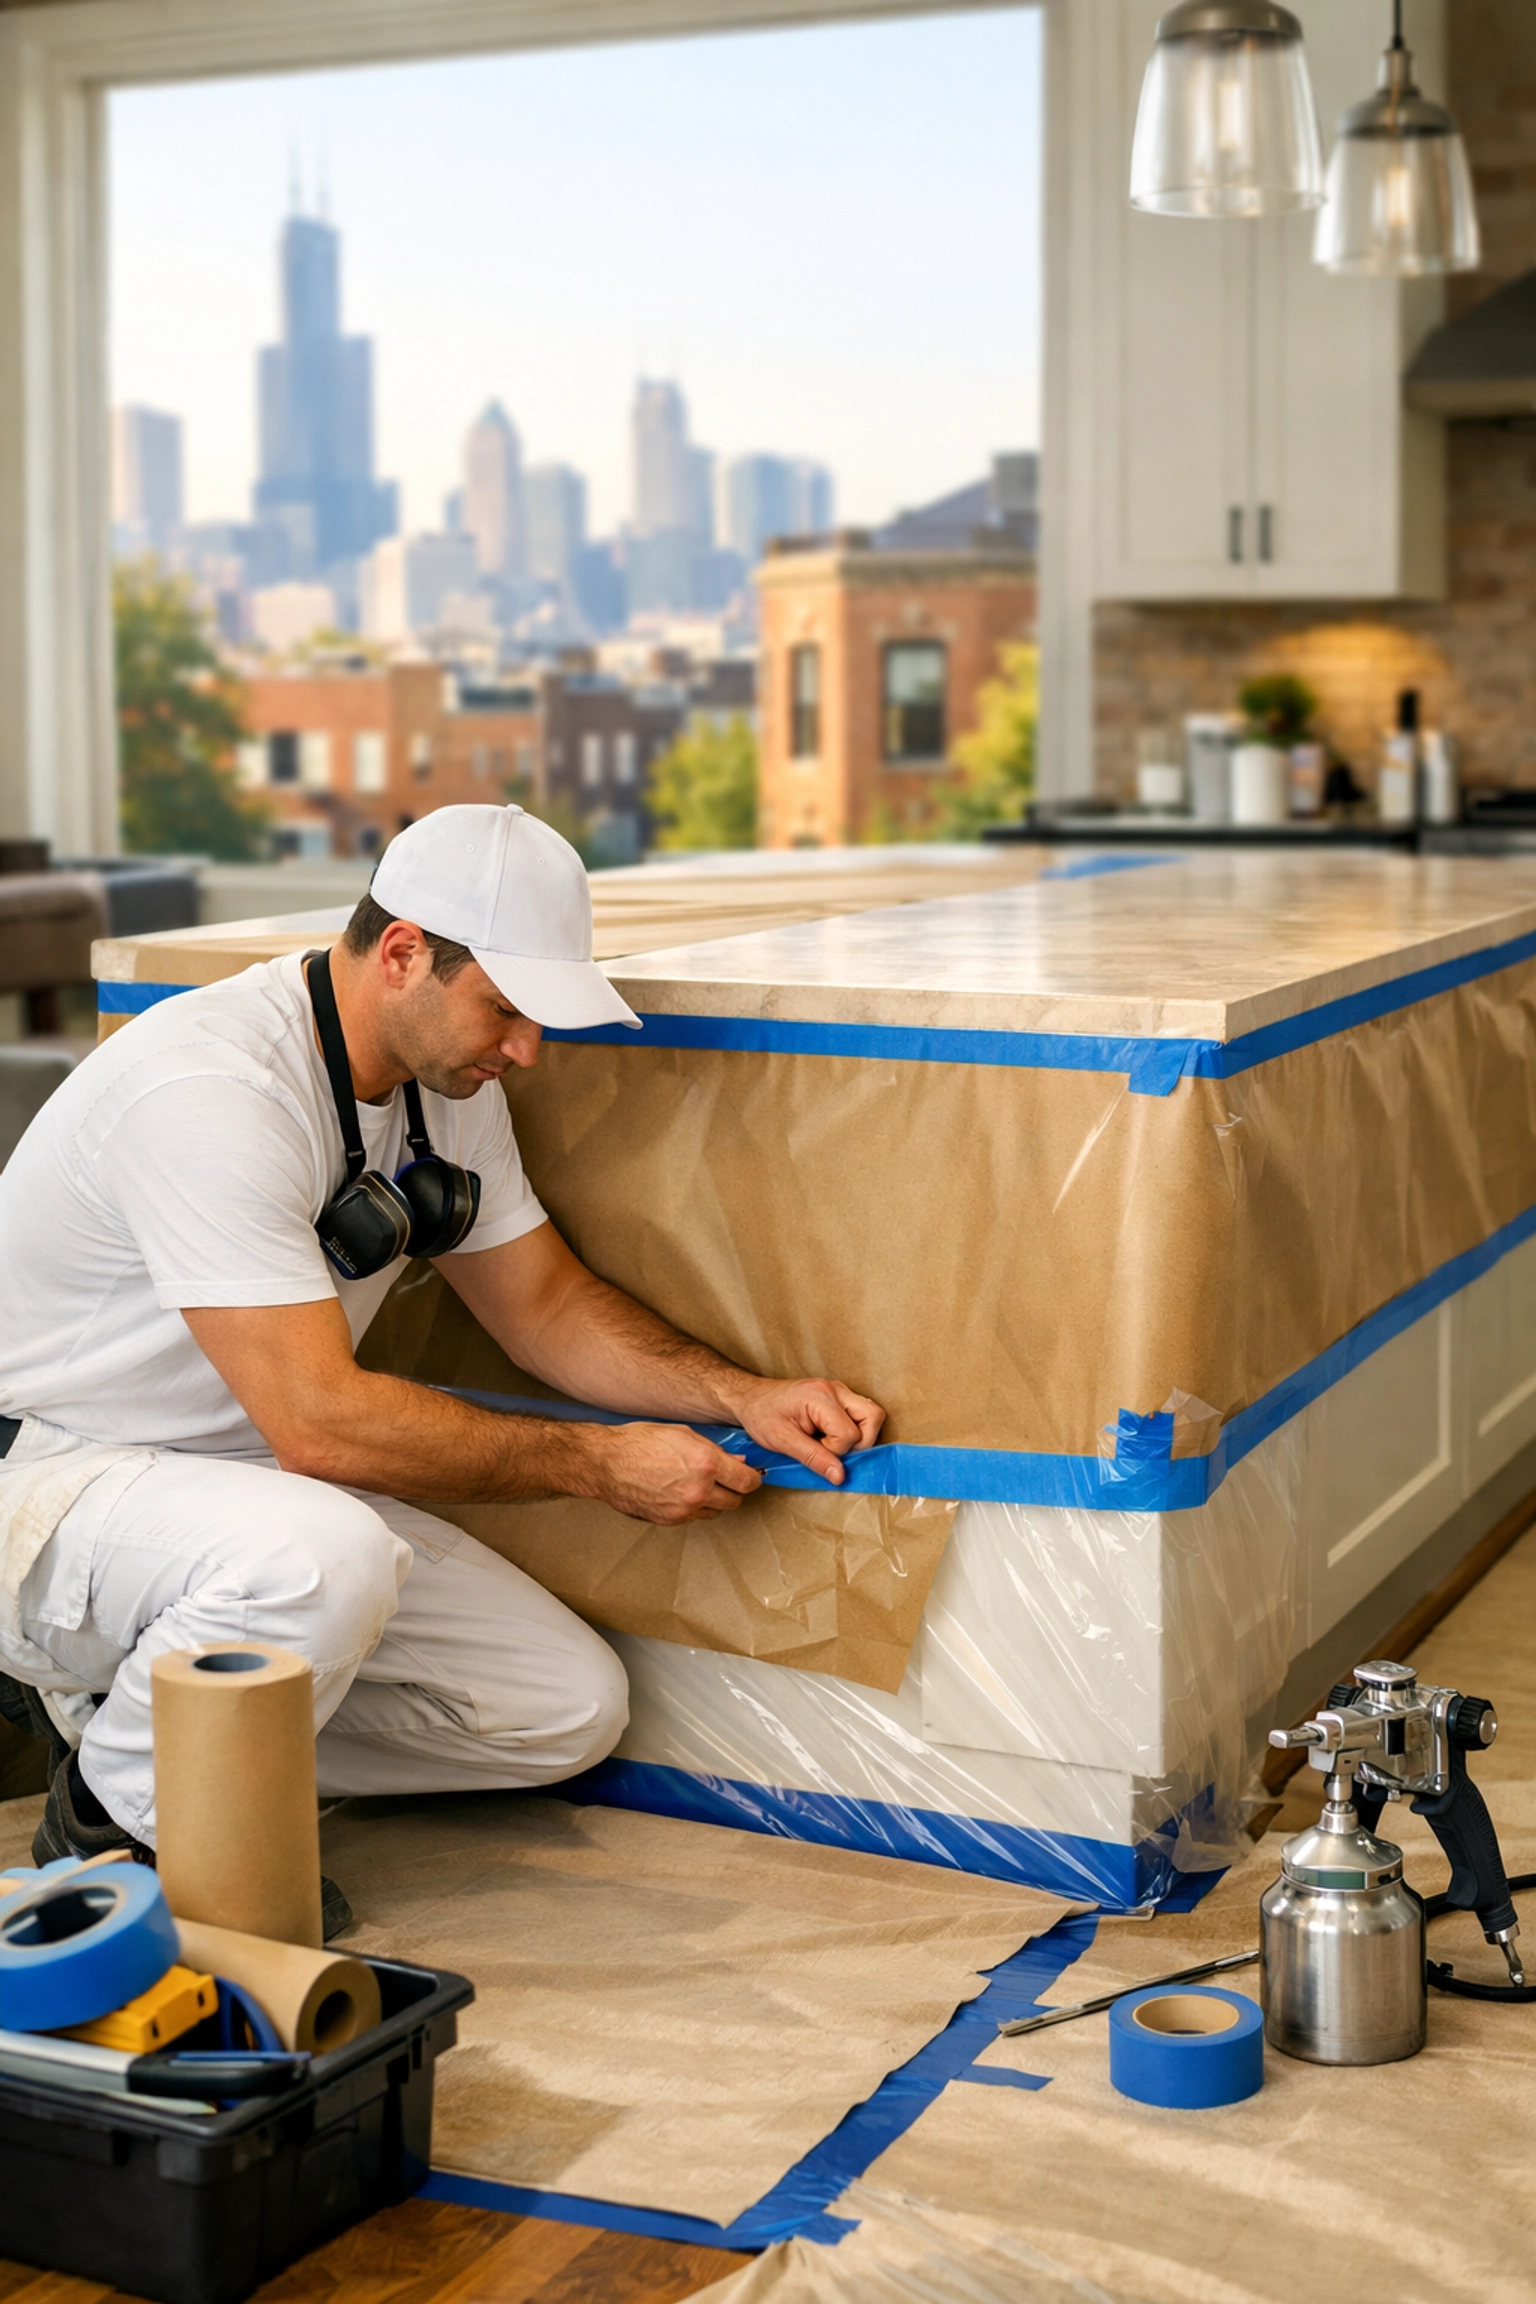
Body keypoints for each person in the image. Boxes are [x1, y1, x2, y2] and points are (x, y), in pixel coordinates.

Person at [0, 805, 883, 1934]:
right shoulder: (210, 1088)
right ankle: (119, 1824)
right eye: (506, 1009)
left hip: (242, 1490)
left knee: (561, 1708)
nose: (527, 1049)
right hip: (59, 1479)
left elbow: (546, 1309)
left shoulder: (443, 1095)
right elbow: (321, 1425)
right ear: (404, 953)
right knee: (321, 1559)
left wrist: (743, 1396)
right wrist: (600, 1466)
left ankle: (138, 1720)